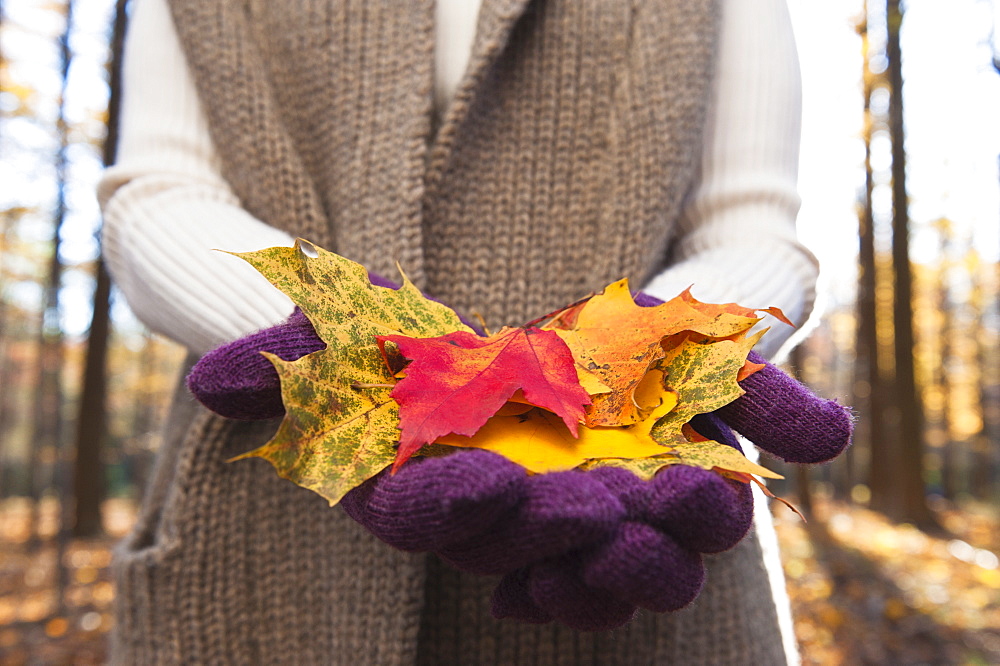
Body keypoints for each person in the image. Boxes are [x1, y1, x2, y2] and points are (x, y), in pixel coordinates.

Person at [98, 0, 828, 663]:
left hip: (651, 554)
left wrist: (652, 342)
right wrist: (355, 342)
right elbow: (159, 193)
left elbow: (753, 227)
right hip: (263, 549)